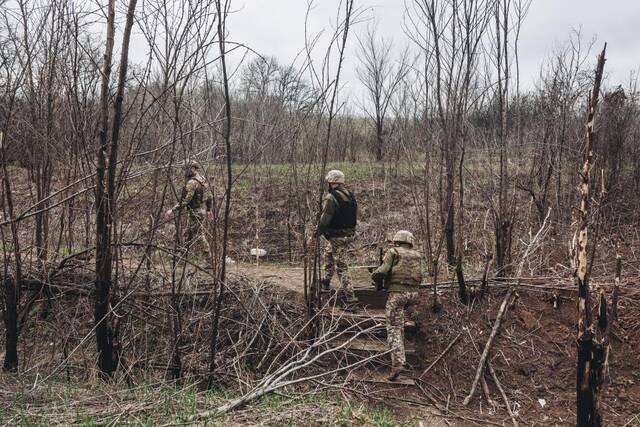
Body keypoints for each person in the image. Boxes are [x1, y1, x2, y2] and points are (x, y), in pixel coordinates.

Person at [371, 230, 423, 381]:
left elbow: (382, 271)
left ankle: (397, 364)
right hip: (413, 295)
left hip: (397, 294)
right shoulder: (417, 254)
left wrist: (373, 275)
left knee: (393, 328)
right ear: (410, 241)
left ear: (397, 240)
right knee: (399, 325)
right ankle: (403, 356)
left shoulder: (393, 252)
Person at [318, 169, 358, 305]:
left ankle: (350, 298)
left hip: (337, 236)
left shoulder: (331, 197)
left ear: (331, 182)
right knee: (329, 254)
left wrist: (318, 232)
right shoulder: (350, 195)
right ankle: (326, 281)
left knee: (342, 267)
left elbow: (325, 219)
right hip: (348, 234)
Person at [165, 161, 213, 254]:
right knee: (188, 234)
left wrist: (172, 210)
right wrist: (208, 209)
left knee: (199, 236)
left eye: (188, 168)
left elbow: (186, 200)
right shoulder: (202, 179)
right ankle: (182, 255)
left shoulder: (192, 182)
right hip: (199, 211)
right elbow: (209, 196)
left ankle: (209, 261)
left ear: (194, 168)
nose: (186, 171)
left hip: (195, 212)